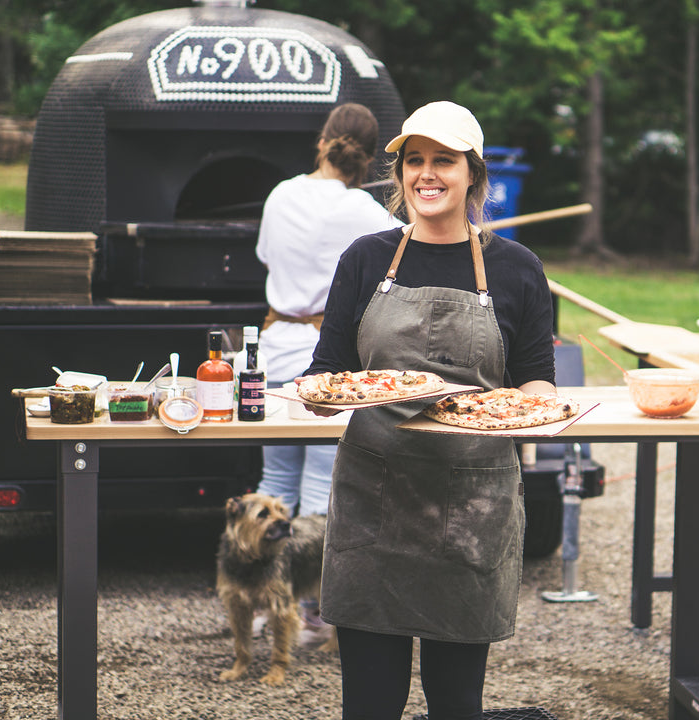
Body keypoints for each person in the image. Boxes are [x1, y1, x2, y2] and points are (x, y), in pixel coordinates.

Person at [298, 101, 557, 718]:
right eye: (415, 160)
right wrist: (317, 394)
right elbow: (327, 372)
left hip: (472, 506)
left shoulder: (517, 269)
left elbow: (536, 385)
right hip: (372, 501)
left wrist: (538, 410)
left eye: (444, 160)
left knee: (457, 702)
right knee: (369, 701)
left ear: (473, 173)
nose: (426, 174)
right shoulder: (365, 259)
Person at [255, 103, 401, 645]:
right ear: (368, 156)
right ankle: (310, 614)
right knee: (321, 484)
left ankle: (266, 607)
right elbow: (409, 247)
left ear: (323, 141)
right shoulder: (364, 212)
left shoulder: (281, 194)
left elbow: (268, 257)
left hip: (273, 349)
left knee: (275, 484)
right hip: (325, 358)